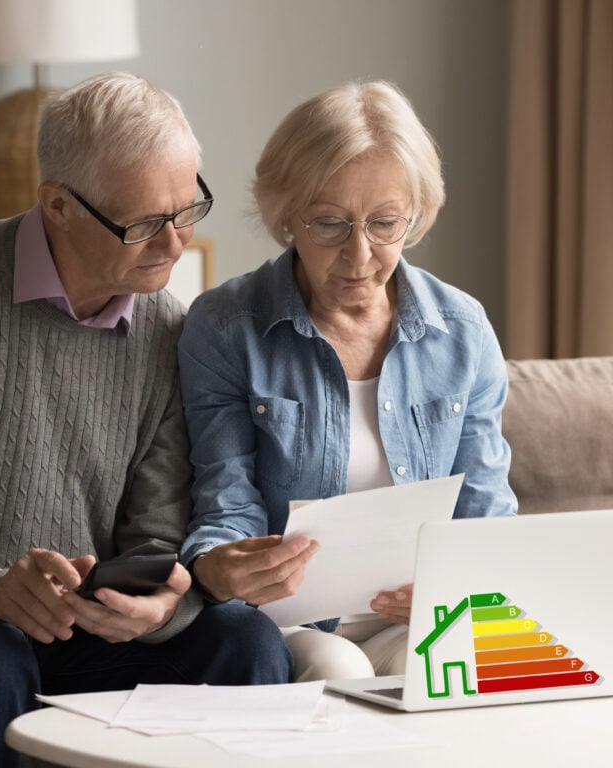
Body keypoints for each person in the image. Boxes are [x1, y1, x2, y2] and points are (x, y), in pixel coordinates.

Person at [0, 73, 292, 768]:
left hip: (70, 631)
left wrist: (159, 606)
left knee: (246, 642)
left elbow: (152, 536)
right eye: (145, 223)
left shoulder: (171, 330)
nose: (175, 247)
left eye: (187, 210)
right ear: (57, 205)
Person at [178, 80, 517, 682]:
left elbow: (486, 511)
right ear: (287, 218)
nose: (360, 257)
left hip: (419, 615)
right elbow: (225, 500)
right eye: (330, 224)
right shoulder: (228, 326)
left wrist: (455, 587)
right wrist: (221, 564)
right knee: (338, 671)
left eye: (386, 223)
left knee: (450, 659)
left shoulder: (462, 331)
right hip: (295, 621)